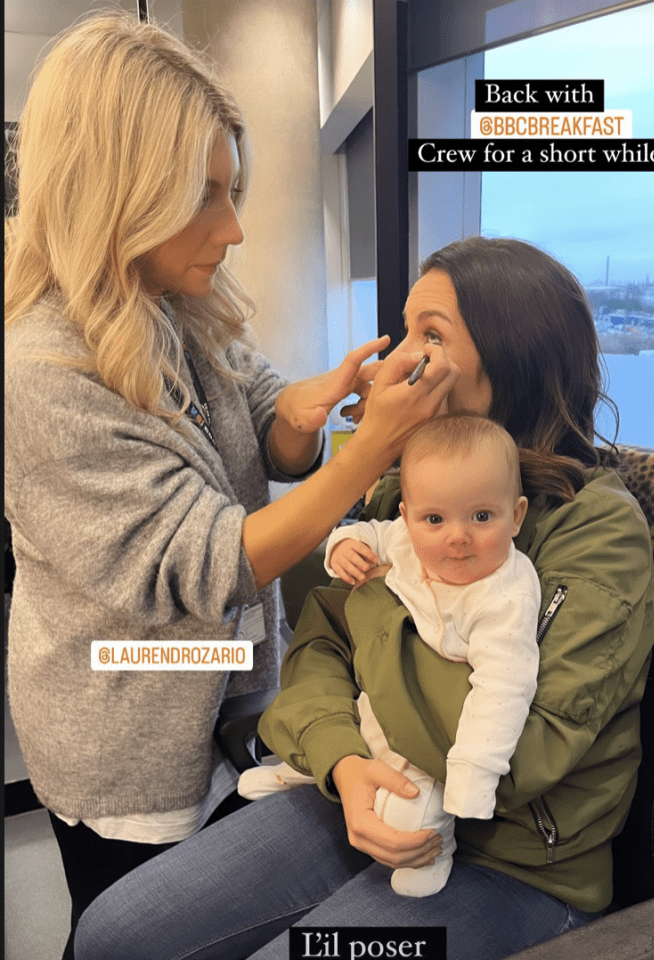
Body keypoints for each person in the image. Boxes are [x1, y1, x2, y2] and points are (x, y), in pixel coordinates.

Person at [3, 13, 457, 960]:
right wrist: (368, 453)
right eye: (204, 196)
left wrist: (314, 407)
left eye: (233, 191)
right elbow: (206, 563)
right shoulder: (42, 371)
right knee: (135, 930)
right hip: (122, 713)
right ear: (114, 192)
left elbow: (252, 408)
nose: (234, 228)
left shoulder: (171, 301)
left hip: (221, 695)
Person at [75, 236, 654, 960]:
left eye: (431, 336)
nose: (391, 364)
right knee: (112, 935)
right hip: (364, 783)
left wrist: (379, 602)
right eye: (406, 331)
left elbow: (520, 755)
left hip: (513, 859)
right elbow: (319, 643)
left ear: (513, 355)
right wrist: (343, 763)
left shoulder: (594, 530)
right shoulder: (404, 487)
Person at [238, 414, 541, 899]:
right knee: (354, 729)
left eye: (482, 517)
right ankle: (308, 768)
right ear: (410, 514)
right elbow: (373, 533)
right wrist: (345, 546)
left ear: (516, 515)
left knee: (411, 812)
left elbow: (504, 690)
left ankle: (433, 852)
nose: (456, 537)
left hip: (432, 743)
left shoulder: (505, 596)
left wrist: (472, 778)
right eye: (434, 520)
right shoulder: (408, 536)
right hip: (375, 701)